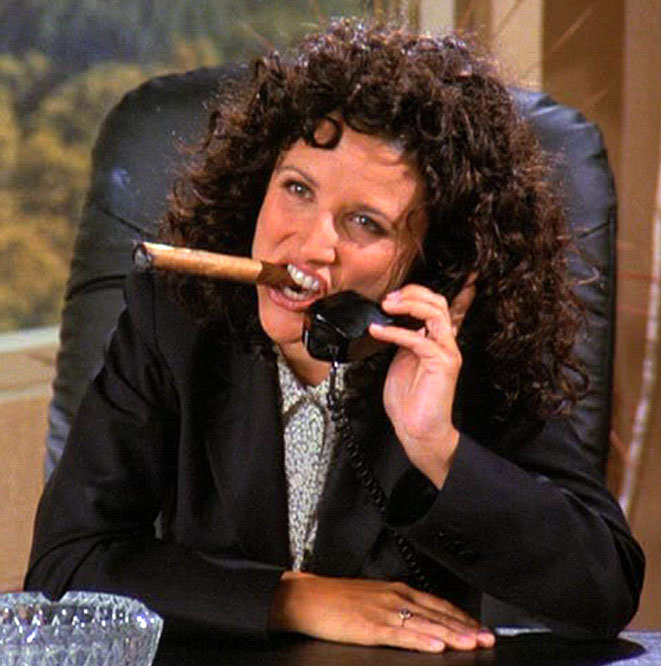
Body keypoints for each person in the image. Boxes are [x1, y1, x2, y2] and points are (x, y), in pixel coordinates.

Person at [25, 19, 643, 653]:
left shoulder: (462, 355)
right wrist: (296, 599)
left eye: (365, 223)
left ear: (433, 263)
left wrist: (436, 446)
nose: (312, 244)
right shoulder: (176, 313)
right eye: (297, 189)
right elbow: (63, 567)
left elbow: (605, 590)